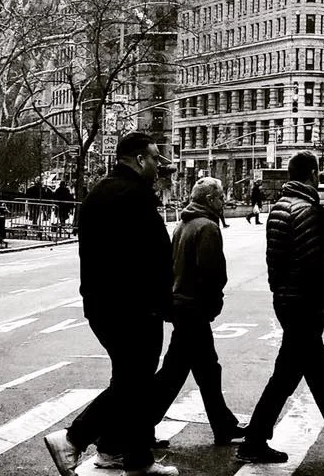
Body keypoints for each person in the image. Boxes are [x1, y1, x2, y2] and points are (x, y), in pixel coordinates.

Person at [44, 132, 177, 476]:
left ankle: (131, 457)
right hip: (133, 308)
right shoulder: (135, 197)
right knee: (135, 382)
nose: (158, 165)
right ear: (138, 159)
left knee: (130, 380)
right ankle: (74, 438)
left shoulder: (99, 193)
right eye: (154, 158)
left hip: (102, 304)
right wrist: (165, 305)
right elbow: (154, 257)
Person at [237, 151, 324, 465]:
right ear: (313, 174)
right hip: (305, 303)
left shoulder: (277, 208)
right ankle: (255, 440)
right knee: (295, 374)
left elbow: (273, 261)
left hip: (286, 300)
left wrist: (281, 290)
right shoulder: (311, 211)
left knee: (308, 372)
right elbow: (315, 263)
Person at [150, 176, 245, 444]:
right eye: (221, 196)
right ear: (209, 200)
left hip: (182, 305)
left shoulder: (183, 225)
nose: (224, 200)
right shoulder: (208, 228)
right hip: (195, 308)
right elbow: (211, 272)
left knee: (203, 371)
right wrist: (214, 303)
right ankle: (131, 429)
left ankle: (223, 424)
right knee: (173, 375)